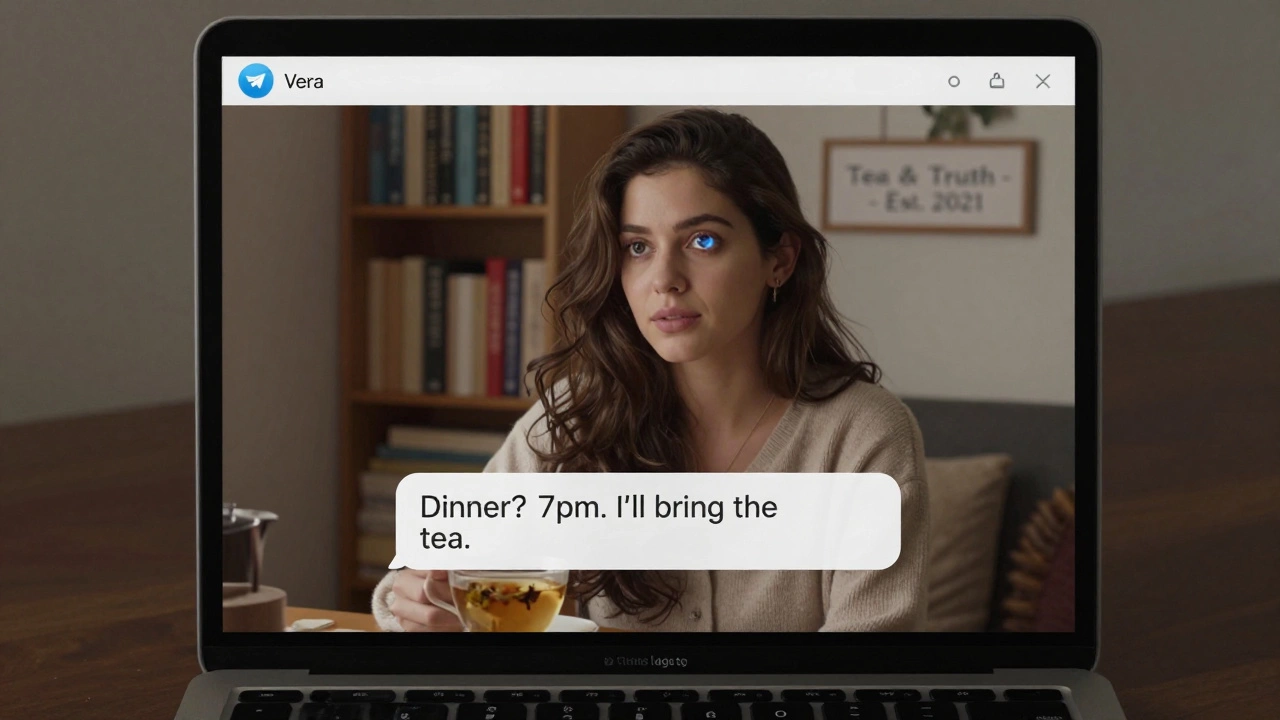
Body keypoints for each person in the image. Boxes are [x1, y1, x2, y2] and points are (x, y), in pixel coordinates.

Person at [372, 107, 929, 632]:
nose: (665, 278)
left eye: (703, 241)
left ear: (778, 260)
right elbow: (426, 578)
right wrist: (417, 597)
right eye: (638, 247)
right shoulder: (577, 412)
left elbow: (868, 671)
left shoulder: (863, 436)